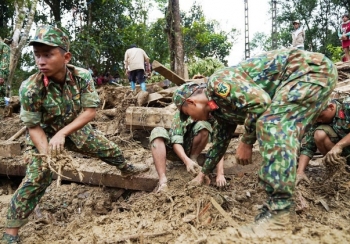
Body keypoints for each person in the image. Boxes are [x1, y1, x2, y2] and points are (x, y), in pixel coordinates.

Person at [1, 25, 149, 243]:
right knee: (36, 177)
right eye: (37, 55)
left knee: (108, 149)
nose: (41, 61)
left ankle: (126, 169)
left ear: (66, 57)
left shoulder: (82, 76)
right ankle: (10, 233)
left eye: (48, 55)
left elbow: (90, 111)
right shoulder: (29, 88)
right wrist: (48, 156)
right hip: (43, 135)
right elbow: (33, 126)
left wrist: (63, 133)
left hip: (76, 128)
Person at [172, 48, 337, 235]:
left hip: (308, 71)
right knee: (276, 125)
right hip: (306, 76)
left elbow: (260, 102)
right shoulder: (219, 110)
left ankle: (278, 213)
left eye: (187, 114)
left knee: (271, 124)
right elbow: (220, 141)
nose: (192, 120)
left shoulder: (217, 84)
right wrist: (204, 173)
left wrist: (247, 141)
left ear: (191, 102)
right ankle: (280, 207)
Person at [150, 111, 226, 193]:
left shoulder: (214, 117)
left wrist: (220, 174)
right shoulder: (182, 114)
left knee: (204, 126)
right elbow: (176, 143)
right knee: (157, 131)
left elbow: (219, 147)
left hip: (191, 149)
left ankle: (193, 159)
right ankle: (162, 180)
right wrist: (186, 161)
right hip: (173, 150)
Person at [297, 98, 350, 185]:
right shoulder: (318, 120)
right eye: (316, 118)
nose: (319, 120)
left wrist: (339, 145)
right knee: (319, 134)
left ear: (331, 107)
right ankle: (340, 173)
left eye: (321, 116)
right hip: (346, 155)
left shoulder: (347, 106)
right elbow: (308, 147)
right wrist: (300, 172)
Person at [0, 38, 11, 116]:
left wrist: (1, 76)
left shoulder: (4, 47)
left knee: (0, 98)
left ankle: (2, 114)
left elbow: (5, 64)